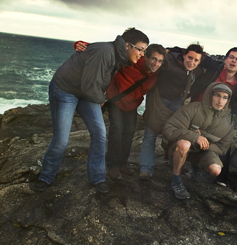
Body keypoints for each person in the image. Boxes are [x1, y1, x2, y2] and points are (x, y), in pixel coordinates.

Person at [34, 28, 149, 194]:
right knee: (61, 140)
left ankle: (97, 177)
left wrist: (99, 98)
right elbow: (89, 84)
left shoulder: (120, 57)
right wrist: (101, 100)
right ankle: (46, 176)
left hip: (87, 93)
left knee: (100, 134)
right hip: (66, 90)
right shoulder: (105, 52)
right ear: (127, 45)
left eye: (144, 50)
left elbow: (93, 82)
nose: (142, 54)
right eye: (140, 49)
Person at [139, 44, 204, 181]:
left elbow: (215, 66)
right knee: (150, 134)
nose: (192, 62)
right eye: (189, 58)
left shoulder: (196, 71)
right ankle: (146, 169)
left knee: (175, 133)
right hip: (157, 99)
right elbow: (151, 59)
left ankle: (172, 161)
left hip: (177, 101)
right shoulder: (169, 61)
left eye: (196, 60)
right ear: (184, 55)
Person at [162, 82, 234, 199]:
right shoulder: (192, 108)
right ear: (210, 95)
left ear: (228, 100)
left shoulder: (227, 123)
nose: (220, 101)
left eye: (225, 97)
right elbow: (168, 130)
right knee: (184, 144)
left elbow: (223, 149)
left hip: (203, 152)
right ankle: (176, 180)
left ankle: (196, 167)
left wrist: (204, 142)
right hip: (180, 146)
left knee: (216, 170)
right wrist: (194, 137)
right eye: (217, 95)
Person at [105, 44, 167, 179]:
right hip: (115, 101)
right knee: (116, 130)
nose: (156, 64)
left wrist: (174, 50)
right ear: (146, 57)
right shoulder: (131, 61)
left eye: (160, 61)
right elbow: (109, 51)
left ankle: (122, 163)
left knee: (128, 133)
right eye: (154, 59)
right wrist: (81, 45)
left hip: (131, 105)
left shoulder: (155, 73)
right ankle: (112, 166)